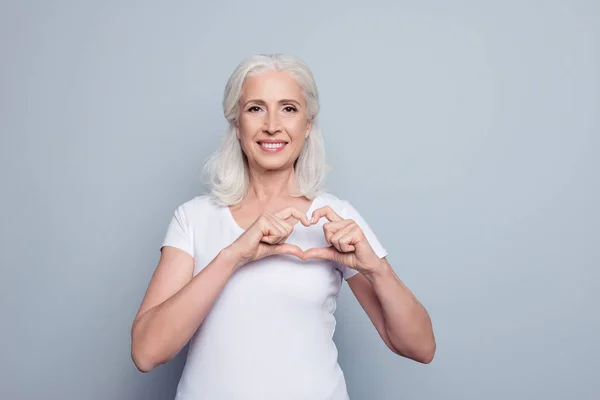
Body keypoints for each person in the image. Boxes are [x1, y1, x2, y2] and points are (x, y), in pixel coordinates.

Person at [131, 53, 436, 400]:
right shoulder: (193, 218)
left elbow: (420, 347)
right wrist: (233, 256)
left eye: (288, 108)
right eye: (256, 108)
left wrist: (378, 270)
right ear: (236, 123)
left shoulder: (333, 217)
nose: (272, 125)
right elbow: (146, 352)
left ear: (307, 124)